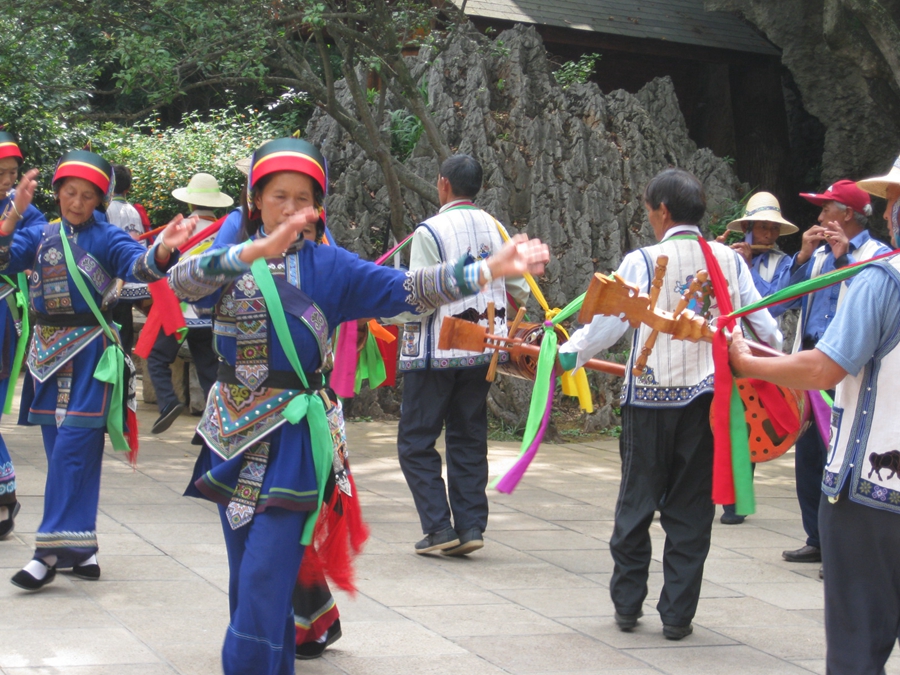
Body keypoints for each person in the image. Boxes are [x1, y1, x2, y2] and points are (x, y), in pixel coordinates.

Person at [168, 137, 549, 675]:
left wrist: (483, 271)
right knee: (247, 575)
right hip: (232, 433)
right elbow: (180, 280)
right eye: (279, 196)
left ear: (318, 206)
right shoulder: (226, 261)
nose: (291, 209)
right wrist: (245, 251)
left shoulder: (331, 267)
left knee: (263, 572)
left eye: (304, 198)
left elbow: (410, 288)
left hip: (297, 441)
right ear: (255, 200)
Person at [557, 168, 782, 640]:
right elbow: (765, 328)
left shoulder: (643, 258)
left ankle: (626, 604)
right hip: (707, 403)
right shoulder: (729, 260)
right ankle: (678, 615)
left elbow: (611, 323)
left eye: (649, 210)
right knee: (691, 509)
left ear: (661, 211)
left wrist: (570, 355)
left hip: (648, 401)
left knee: (636, 503)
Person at [728, 152, 900, 674]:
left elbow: (826, 369)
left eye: (893, 200)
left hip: (874, 496)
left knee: (857, 642)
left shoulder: (881, 276)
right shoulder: (832, 262)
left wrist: (743, 361)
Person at [2, 149, 196, 590]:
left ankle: (47, 553)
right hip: (46, 356)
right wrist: (13, 215)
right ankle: (82, 546)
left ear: (100, 200)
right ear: (57, 193)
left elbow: (139, 264)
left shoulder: (107, 238)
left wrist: (164, 247)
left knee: (72, 449)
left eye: (87, 196)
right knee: (67, 456)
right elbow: (3, 259)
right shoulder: (40, 235)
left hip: (93, 355)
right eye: (70, 192)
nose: (76, 203)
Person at [389, 154, 530, 556]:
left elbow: (422, 296)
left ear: (443, 184)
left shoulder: (430, 231)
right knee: (468, 436)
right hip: (484, 348)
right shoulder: (496, 228)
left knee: (416, 439)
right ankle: (470, 526)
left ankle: (437, 527)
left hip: (436, 349)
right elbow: (517, 289)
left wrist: (380, 312)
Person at [779, 180, 890, 566]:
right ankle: (817, 539)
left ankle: (843, 552)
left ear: (846, 214)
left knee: (843, 455)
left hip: (851, 372)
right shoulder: (820, 256)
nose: (820, 217)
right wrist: (803, 257)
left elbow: (870, 302)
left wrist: (844, 260)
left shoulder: (880, 256)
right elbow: (781, 303)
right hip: (811, 365)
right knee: (808, 457)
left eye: (826, 209)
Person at [718, 191, 799, 524]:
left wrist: (746, 270)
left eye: (773, 228)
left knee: (747, 420)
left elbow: (774, 304)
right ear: (747, 228)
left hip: (758, 351)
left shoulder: (785, 264)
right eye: (762, 227)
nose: (769, 233)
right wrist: (722, 257)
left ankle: (736, 501)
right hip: (720, 346)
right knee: (708, 420)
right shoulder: (726, 255)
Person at [146, 173, 232, 432]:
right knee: (208, 368)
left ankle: (168, 402)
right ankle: (215, 421)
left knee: (157, 357)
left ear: (190, 203)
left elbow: (155, 265)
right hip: (210, 311)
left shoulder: (179, 229)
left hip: (179, 310)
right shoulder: (226, 231)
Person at [0, 131, 48, 540]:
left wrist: (14, 214)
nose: (6, 180)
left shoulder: (29, 213)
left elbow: (26, 249)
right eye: (0, 173)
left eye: (12, 173)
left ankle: (5, 491)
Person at [106, 164, 145, 356]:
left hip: (114, 280)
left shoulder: (107, 210)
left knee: (113, 330)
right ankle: (126, 368)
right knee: (126, 329)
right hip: (133, 278)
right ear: (128, 188)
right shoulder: (134, 211)